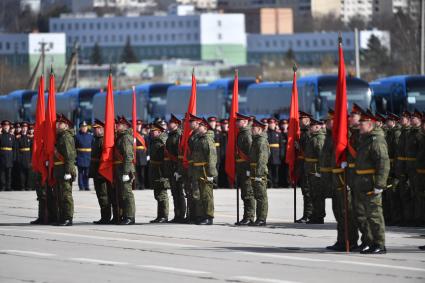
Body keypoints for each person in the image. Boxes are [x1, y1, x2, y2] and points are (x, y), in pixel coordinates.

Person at [354, 111, 390, 254]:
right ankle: (370, 242)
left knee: (374, 216)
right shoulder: (365, 139)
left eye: (361, 124)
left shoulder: (377, 140)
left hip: (371, 183)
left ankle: (380, 244)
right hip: (362, 183)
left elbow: (383, 163)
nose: (359, 126)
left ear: (370, 124)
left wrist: (379, 185)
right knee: (364, 216)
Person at [189, 116, 217, 225]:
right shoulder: (199, 138)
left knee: (207, 195)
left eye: (200, 126)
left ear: (205, 128)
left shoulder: (207, 139)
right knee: (200, 195)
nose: (198, 127)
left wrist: (210, 173)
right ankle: (201, 215)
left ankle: (209, 216)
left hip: (205, 170)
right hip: (198, 170)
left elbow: (212, 157)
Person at [53, 114, 77, 226]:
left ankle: (68, 217)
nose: (58, 125)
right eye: (58, 123)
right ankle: (62, 216)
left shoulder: (66, 137)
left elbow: (69, 156)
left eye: (60, 123)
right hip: (59, 170)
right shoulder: (60, 136)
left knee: (66, 195)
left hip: (64, 170)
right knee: (60, 194)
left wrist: (68, 172)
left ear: (66, 126)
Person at [90, 119, 115, 224]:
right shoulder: (95, 139)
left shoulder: (104, 140)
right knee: (101, 195)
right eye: (95, 128)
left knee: (105, 195)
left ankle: (107, 217)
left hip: (103, 170)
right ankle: (104, 216)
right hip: (96, 170)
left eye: (99, 128)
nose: (96, 130)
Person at [114, 116, 136, 225]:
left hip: (124, 169)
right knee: (122, 193)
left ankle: (130, 216)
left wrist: (126, 172)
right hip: (120, 168)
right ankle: (124, 215)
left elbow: (128, 156)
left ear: (125, 126)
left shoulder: (126, 137)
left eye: (119, 125)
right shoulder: (120, 137)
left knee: (127, 194)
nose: (117, 126)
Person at [303, 118, 326, 224]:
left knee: (318, 195)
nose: (309, 129)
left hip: (316, 171)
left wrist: (319, 171)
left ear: (317, 127)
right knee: (313, 194)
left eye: (311, 127)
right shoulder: (313, 138)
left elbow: (321, 157)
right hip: (311, 170)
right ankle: (315, 214)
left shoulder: (319, 139)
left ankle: (319, 215)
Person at [249, 119, 270, 226]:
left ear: (260, 129)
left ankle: (262, 218)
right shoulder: (256, 140)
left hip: (259, 173)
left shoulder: (261, 141)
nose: (252, 130)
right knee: (257, 195)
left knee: (261, 196)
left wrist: (259, 174)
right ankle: (259, 218)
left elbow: (262, 159)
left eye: (254, 128)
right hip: (254, 171)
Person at [165, 114, 186, 223]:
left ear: (176, 124)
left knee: (179, 192)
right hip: (171, 167)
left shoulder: (179, 136)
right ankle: (177, 214)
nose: (168, 124)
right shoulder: (170, 135)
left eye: (171, 123)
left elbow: (180, 155)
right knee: (174, 193)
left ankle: (181, 214)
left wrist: (179, 170)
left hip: (177, 167)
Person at [235, 113, 254, 225]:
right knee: (244, 193)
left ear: (245, 122)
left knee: (248, 193)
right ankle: (245, 216)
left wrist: (249, 169)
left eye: (239, 121)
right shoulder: (241, 133)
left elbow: (251, 154)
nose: (237, 123)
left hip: (246, 168)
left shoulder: (247, 134)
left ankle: (250, 217)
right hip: (241, 168)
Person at [149, 120, 170, 223]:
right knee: (157, 194)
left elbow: (166, 157)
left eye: (154, 131)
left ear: (160, 131)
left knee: (162, 194)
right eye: (151, 131)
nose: (152, 132)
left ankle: (164, 216)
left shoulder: (163, 141)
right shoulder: (154, 140)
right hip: (155, 170)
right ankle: (159, 215)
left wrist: (165, 171)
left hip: (161, 170)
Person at [295, 111, 312, 223]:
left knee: (307, 192)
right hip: (304, 166)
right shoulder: (304, 133)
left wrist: (299, 147)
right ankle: (307, 215)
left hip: (308, 167)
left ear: (307, 120)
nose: (299, 122)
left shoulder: (308, 134)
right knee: (305, 192)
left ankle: (308, 215)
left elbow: (308, 152)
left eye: (301, 120)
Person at [75, 121, 93, 191]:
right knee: (80, 173)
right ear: (80, 128)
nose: (84, 128)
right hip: (80, 156)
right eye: (83, 127)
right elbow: (75, 146)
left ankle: (86, 186)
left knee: (87, 173)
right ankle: (81, 186)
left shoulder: (90, 136)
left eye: (85, 127)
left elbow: (92, 145)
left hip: (88, 156)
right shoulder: (77, 136)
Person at [15, 122, 33, 191]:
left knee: (29, 173)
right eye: (23, 127)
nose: (24, 129)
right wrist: (18, 158)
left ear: (27, 128)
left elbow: (31, 149)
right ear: (21, 128)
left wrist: (31, 159)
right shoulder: (18, 138)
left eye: (25, 127)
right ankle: (22, 187)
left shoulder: (29, 138)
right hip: (21, 156)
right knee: (22, 173)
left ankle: (28, 186)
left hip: (28, 156)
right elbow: (17, 149)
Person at [267, 117, 282, 188]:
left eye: (273, 123)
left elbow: (281, 145)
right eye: (270, 123)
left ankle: (276, 183)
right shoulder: (266, 133)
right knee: (269, 170)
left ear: (275, 124)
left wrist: (281, 154)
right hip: (269, 154)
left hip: (276, 154)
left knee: (276, 170)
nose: (272, 125)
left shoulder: (278, 133)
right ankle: (270, 183)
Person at [0, 120, 15, 191]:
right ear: (2, 127)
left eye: (7, 126)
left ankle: (8, 186)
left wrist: (14, 157)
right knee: (2, 173)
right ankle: (3, 186)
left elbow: (14, 148)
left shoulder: (12, 136)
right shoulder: (0, 136)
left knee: (9, 173)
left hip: (9, 156)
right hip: (2, 156)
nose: (6, 127)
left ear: (9, 127)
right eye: (4, 126)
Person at [135, 120, 148, 190]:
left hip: (143, 154)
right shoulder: (133, 135)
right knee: (136, 171)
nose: (138, 126)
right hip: (136, 154)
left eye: (139, 125)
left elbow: (148, 145)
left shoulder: (144, 135)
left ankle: (142, 185)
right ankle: (137, 185)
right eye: (137, 125)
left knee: (142, 172)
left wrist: (148, 154)